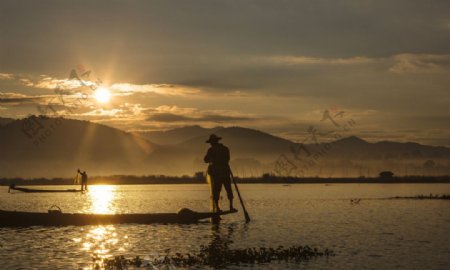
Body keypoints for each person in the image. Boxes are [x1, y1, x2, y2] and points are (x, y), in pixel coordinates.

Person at [204, 134, 235, 212]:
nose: (211, 144)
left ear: (213, 142)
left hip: (217, 174)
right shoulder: (225, 149)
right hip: (225, 172)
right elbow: (228, 159)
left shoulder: (211, 150)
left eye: (211, 142)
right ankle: (230, 206)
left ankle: (217, 208)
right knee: (228, 189)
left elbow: (205, 160)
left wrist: (213, 159)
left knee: (216, 191)